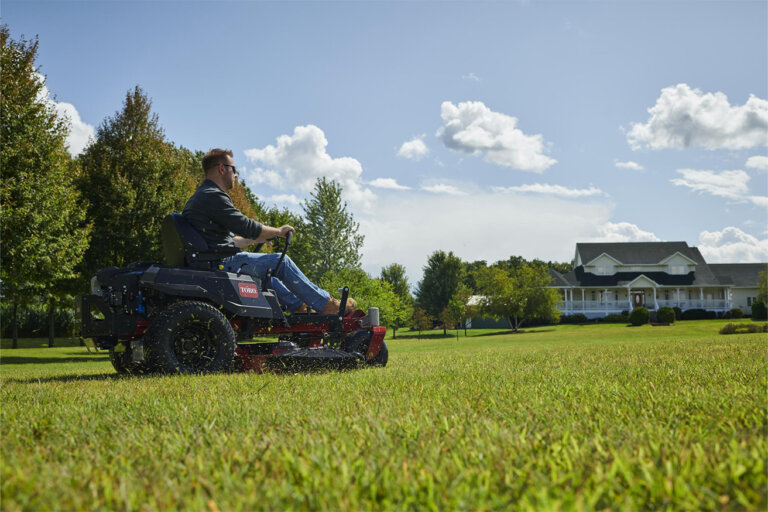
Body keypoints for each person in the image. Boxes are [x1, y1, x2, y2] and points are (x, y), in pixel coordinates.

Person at [182, 148, 354, 314]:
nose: (235, 175)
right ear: (222, 168)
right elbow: (246, 226)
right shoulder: (213, 195)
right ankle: (327, 305)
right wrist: (279, 231)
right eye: (234, 169)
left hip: (212, 259)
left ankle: (301, 308)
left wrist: (255, 240)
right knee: (282, 261)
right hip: (220, 263)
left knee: (270, 275)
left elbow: (224, 242)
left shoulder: (200, 196)